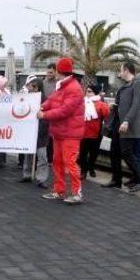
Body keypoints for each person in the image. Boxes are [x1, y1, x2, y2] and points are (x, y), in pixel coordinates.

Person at [39, 57, 85, 204]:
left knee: (70, 162)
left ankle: (77, 193)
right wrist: (42, 107)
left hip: (70, 133)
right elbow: (52, 100)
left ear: (59, 71)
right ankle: (59, 190)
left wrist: (44, 114)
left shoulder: (73, 88)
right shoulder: (63, 86)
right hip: (60, 131)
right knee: (57, 161)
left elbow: (65, 111)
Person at [104, 61, 140, 192]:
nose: (119, 73)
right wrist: (114, 106)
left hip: (128, 126)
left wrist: (127, 120)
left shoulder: (137, 84)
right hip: (118, 123)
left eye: (120, 70)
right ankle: (116, 180)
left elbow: (136, 105)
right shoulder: (125, 85)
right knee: (114, 152)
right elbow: (124, 104)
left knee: (127, 153)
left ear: (127, 70)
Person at [19, 77, 50, 187]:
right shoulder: (28, 99)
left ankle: (41, 179)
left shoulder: (46, 101)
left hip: (41, 134)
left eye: (30, 87)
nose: (29, 89)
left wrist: (38, 131)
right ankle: (27, 175)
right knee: (28, 156)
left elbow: (46, 118)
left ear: (37, 88)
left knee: (42, 157)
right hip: (30, 133)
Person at [79, 84, 110, 179]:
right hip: (83, 133)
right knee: (82, 153)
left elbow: (107, 117)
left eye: (89, 91)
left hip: (96, 134)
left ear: (95, 92)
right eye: (86, 91)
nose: (87, 93)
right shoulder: (82, 102)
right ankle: (83, 171)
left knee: (93, 153)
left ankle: (91, 167)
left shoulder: (101, 104)